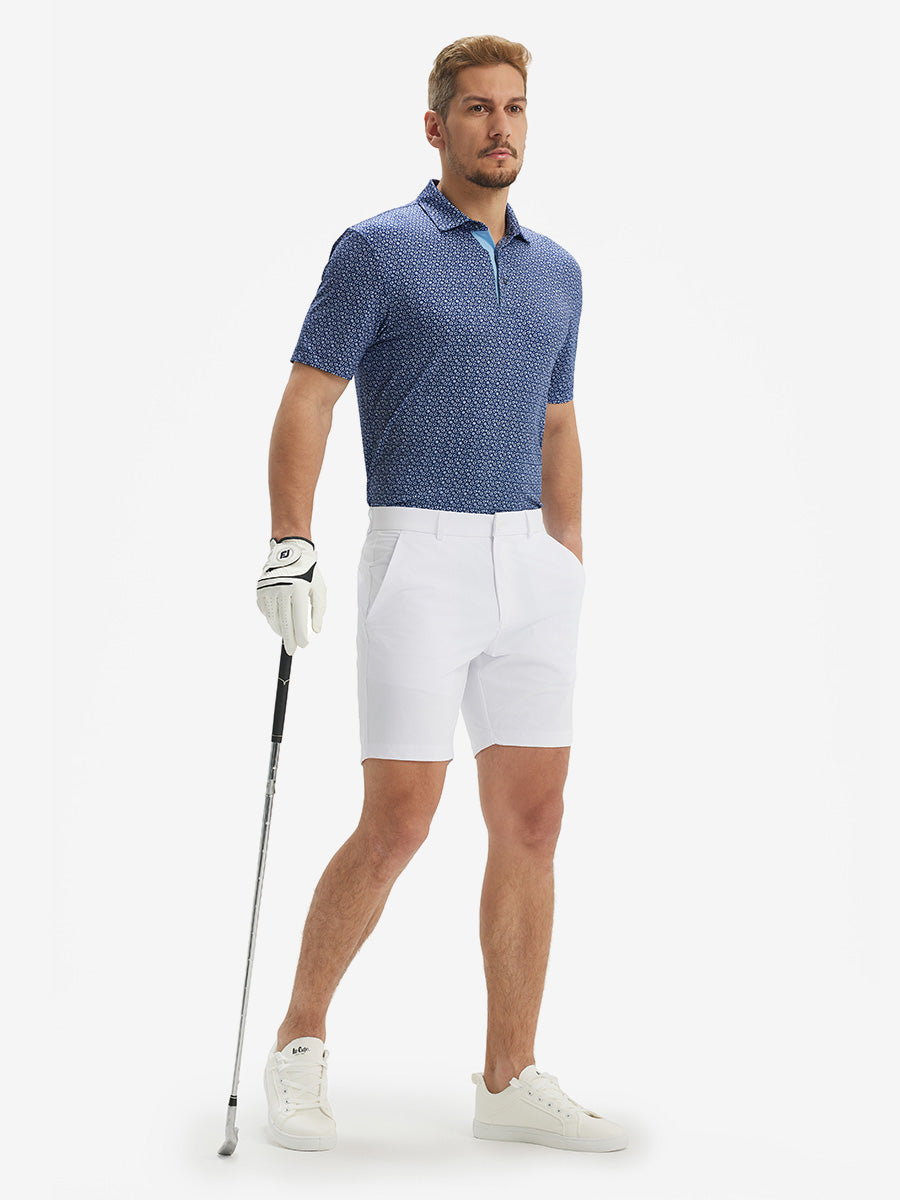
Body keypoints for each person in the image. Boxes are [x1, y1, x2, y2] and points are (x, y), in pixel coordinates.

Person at [255, 34, 627, 1155]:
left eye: (514, 108)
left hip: (532, 566)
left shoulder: (559, 270)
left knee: (534, 822)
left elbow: (558, 419)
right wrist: (289, 542)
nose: (498, 127)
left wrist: (567, 553)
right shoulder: (378, 250)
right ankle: (299, 1042)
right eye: (475, 109)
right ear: (436, 126)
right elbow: (310, 397)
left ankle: (508, 1077)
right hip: (419, 555)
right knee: (400, 820)